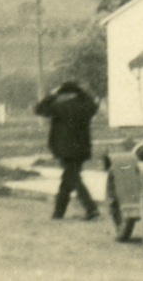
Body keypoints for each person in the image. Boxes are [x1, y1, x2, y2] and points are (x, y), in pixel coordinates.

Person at [35, 81, 100, 220]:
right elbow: (95, 105)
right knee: (68, 179)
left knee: (73, 178)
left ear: (65, 94)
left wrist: (52, 94)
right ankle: (58, 213)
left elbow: (39, 109)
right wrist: (84, 92)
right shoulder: (86, 106)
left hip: (64, 150)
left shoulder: (60, 107)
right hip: (82, 149)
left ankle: (91, 208)